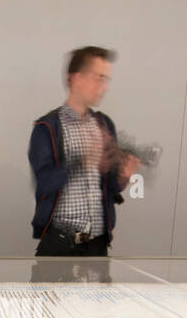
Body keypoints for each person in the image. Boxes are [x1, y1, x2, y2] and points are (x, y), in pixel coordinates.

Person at [27, 46, 139, 257]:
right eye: (99, 78)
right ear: (76, 79)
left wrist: (123, 177)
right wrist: (82, 160)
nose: (104, 87)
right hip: (60, 247)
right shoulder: (48, 128)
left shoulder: (104, 125)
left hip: (98, 247)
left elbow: (110, 186)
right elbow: (44, 183)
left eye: (106, 80)